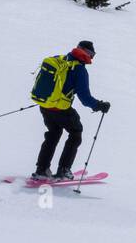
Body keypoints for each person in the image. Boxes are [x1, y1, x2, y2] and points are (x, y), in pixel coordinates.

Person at [30, 40, 110, 180]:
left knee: (53, 134)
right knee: (75, 133)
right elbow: (85, 99)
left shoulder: (61, 59)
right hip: (60, 109)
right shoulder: (79, 70)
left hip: (45, 105)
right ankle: (64, 171)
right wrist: (99, 106)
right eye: (91, 55)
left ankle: (41, 170)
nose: (91, 58)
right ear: (87, 53)